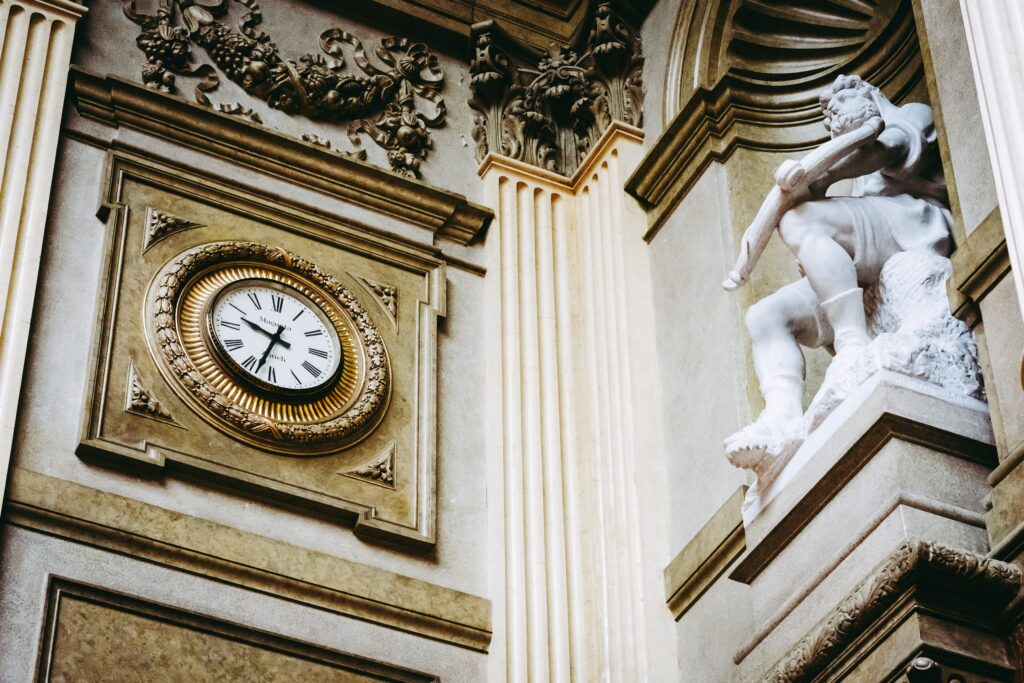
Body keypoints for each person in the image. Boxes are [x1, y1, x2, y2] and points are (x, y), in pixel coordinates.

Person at [725, 75, 952, 461]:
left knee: (802, 222)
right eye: (829, 112)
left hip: (919, 227)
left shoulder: (909, 116)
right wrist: (802, 187)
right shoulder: (857, 172)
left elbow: (887, 148)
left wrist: (822, 172)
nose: (833, 114)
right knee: (765, 316)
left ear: (870, 95)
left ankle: (852, 343)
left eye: (842, 100)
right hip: (871, 259)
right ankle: (780, 418)